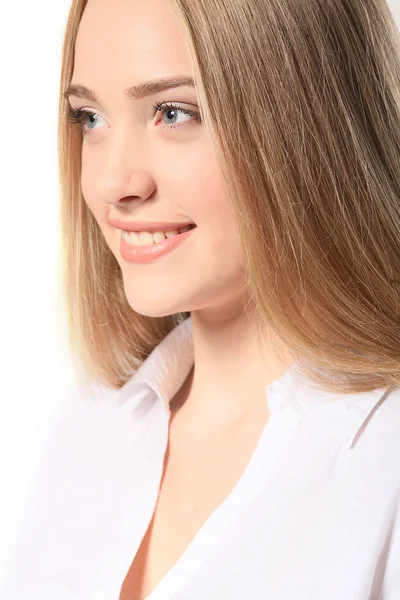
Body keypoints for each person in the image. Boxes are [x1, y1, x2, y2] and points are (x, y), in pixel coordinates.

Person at [1, 0, 400, 597]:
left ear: (309, 122)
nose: (113, 184)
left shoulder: (383, 464)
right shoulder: (80, 429)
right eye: (90, 118)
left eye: (174, 112)